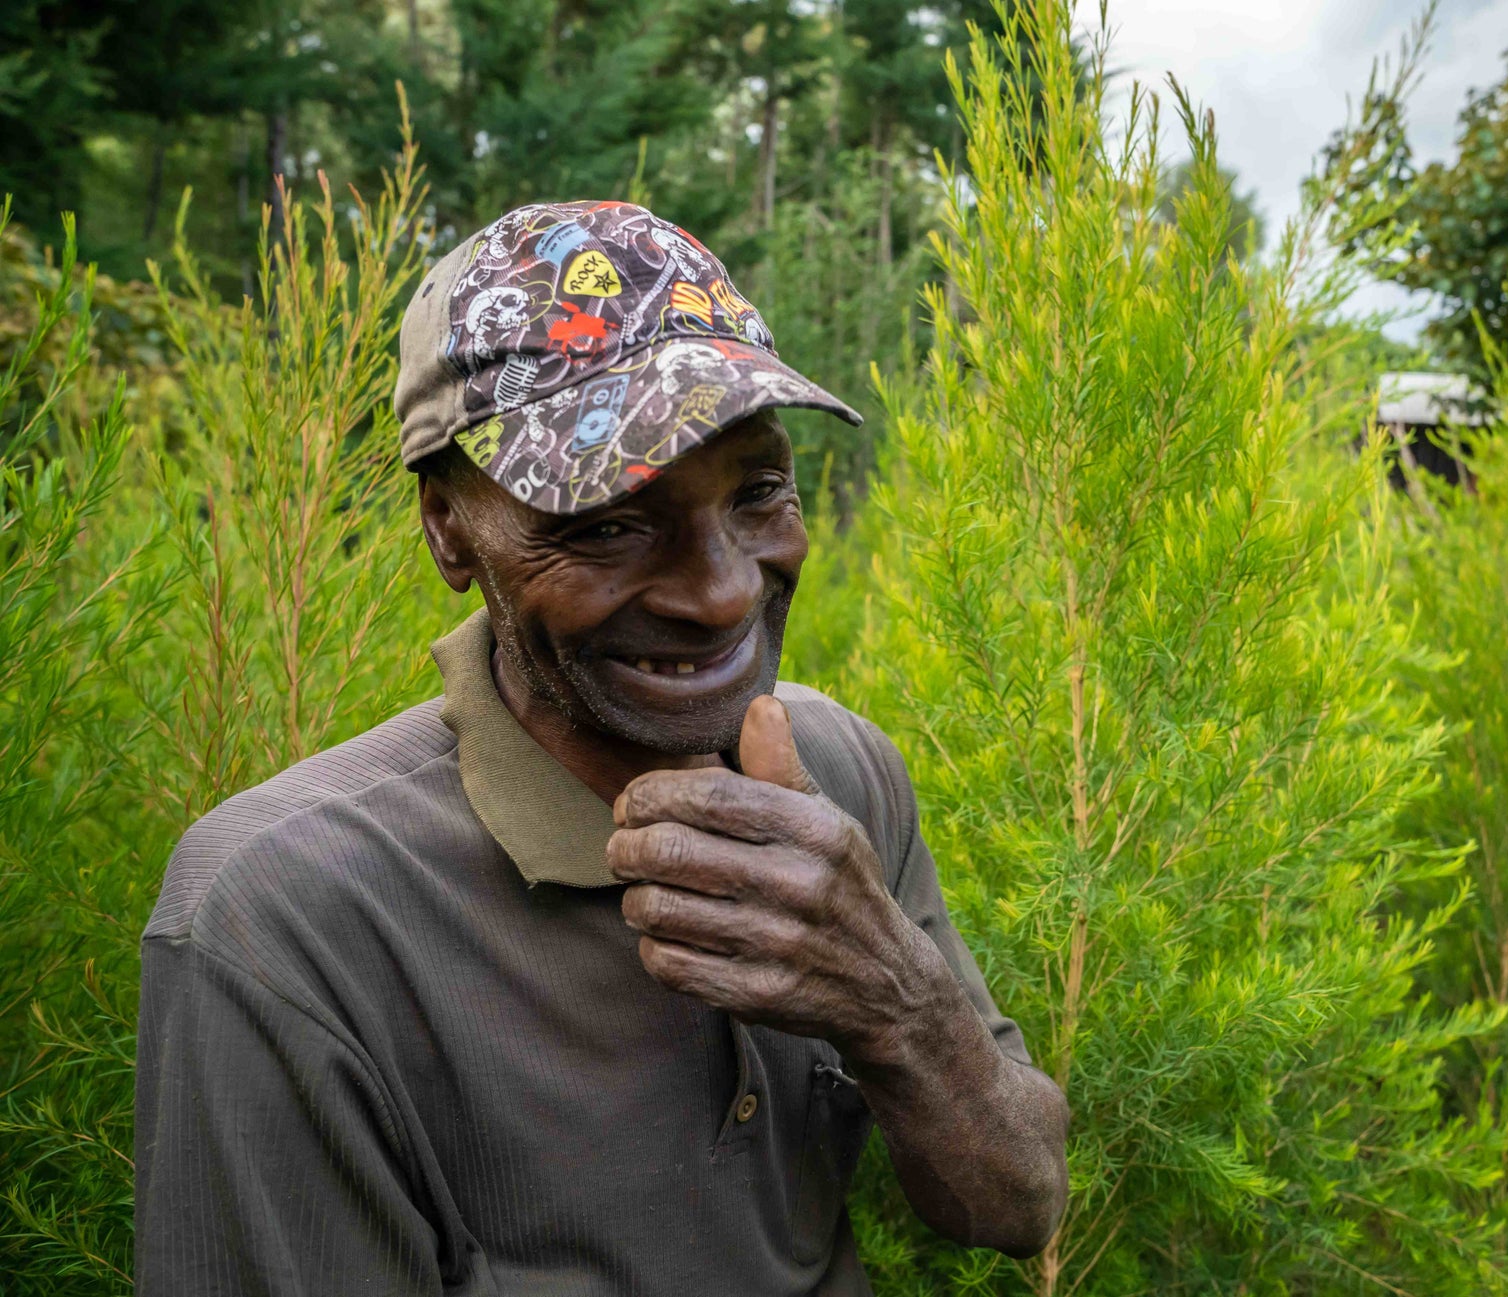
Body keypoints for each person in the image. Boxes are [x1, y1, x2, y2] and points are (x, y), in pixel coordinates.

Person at [134, 200, 1069, 1294]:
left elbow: (1015, 1201)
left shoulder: (836, 772)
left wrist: (890, 1003)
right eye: (609, 522)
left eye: (758, 490)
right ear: (448, 525)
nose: (722, 594)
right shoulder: (282, 917)